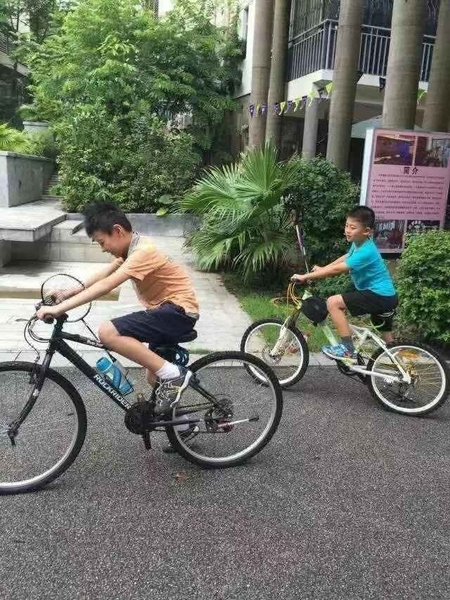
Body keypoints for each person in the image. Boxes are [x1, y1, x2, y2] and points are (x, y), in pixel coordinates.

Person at [36, 201, 199, 416]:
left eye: (102, 242)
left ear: (118, 231)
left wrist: (59, 309)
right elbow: (103, 275)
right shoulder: (131, 251)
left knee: (108, 332)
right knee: (154, 377)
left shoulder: (144, 251)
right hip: (166, 313)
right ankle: (184, 426)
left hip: (178, 312)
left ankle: (175, 376)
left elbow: (107, 285)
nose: (103, 249)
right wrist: (66, 293)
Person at [291, 206, 398, 362]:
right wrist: (323, 269)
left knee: (333, 302)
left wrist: (306, 276)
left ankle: (347, 349)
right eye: (347, 225)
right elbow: (346, 257)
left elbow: (338, 269)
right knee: (390, 345)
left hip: (379, 295)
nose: (347, 230)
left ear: (367, 231)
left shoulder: (366, 251)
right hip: (385, 295)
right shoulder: (359, 243)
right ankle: (402, 365)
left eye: (353, 227)